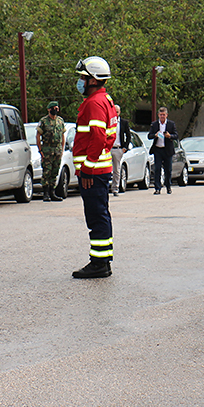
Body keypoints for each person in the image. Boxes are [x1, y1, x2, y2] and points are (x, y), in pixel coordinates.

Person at [72, 56, 119, 279]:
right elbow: (108, 137)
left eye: (83, 77)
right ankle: (103, 261)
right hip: (99, 170)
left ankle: (99, 264)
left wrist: (88, 168)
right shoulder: (105, 100)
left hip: (94, 172)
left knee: (96, 217)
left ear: (93, 80)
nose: (80, 81)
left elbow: (99, 138)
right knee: (101, 215)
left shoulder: (94, 103)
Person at [36, 101, 66, 202]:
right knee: (46, 171)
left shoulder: (60, 121)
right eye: (53, 108)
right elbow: (38, 135)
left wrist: (62, 149)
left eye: (57, 108)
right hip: (47, 149)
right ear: (49, 109)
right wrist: (40, 150)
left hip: (57, 149)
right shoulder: (44, 121)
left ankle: (53, 192)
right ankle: (46, 193)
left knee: (55, 170)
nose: (56, 110)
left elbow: (62, 135)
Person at [148, 107, 177, 195]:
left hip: (167, 150)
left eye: (164, 115)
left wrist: (170, 136)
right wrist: (155, 135)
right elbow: (149, 136)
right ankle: (157, 188)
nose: (162, 117)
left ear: (166, 115)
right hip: (158, 149)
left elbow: (176, 135)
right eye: (161, 115)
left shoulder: (171, 124)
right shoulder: (154, 124)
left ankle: (168, 186)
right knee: (157, 169)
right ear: (158, 115)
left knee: (168, 169)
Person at [110, 105, 132, 197]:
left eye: (117, 111)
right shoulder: (109, 122)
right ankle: (104, 187)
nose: (116, 113)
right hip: (108, 149)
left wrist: (125, 148)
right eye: (114, 111)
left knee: (116, 170)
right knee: (106, 170)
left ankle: (115, 188)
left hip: (118, 149)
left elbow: (128, 136)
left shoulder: (124, 123)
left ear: (120, 112)